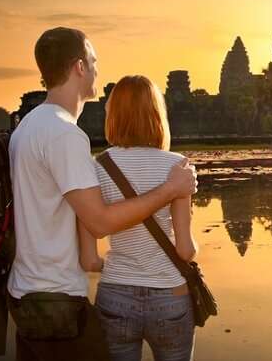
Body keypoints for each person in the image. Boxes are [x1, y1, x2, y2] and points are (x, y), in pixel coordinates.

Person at [7, 27, 197, 361]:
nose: (97, 69)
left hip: (31, 291)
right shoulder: (63, 133)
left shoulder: (30, 125)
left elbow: (88, 245)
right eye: (93, 61)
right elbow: (98, 221)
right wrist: (169, 189)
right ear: (79, 67)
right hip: (57, 299)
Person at [78, 75, 198, 361]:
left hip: (115, 298)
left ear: (114, 116)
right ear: (157, 115)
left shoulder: (97, 167)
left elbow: (89, 260)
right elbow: (185, 250)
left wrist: (121, 268)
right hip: (170, 297)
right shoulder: (177, 167)